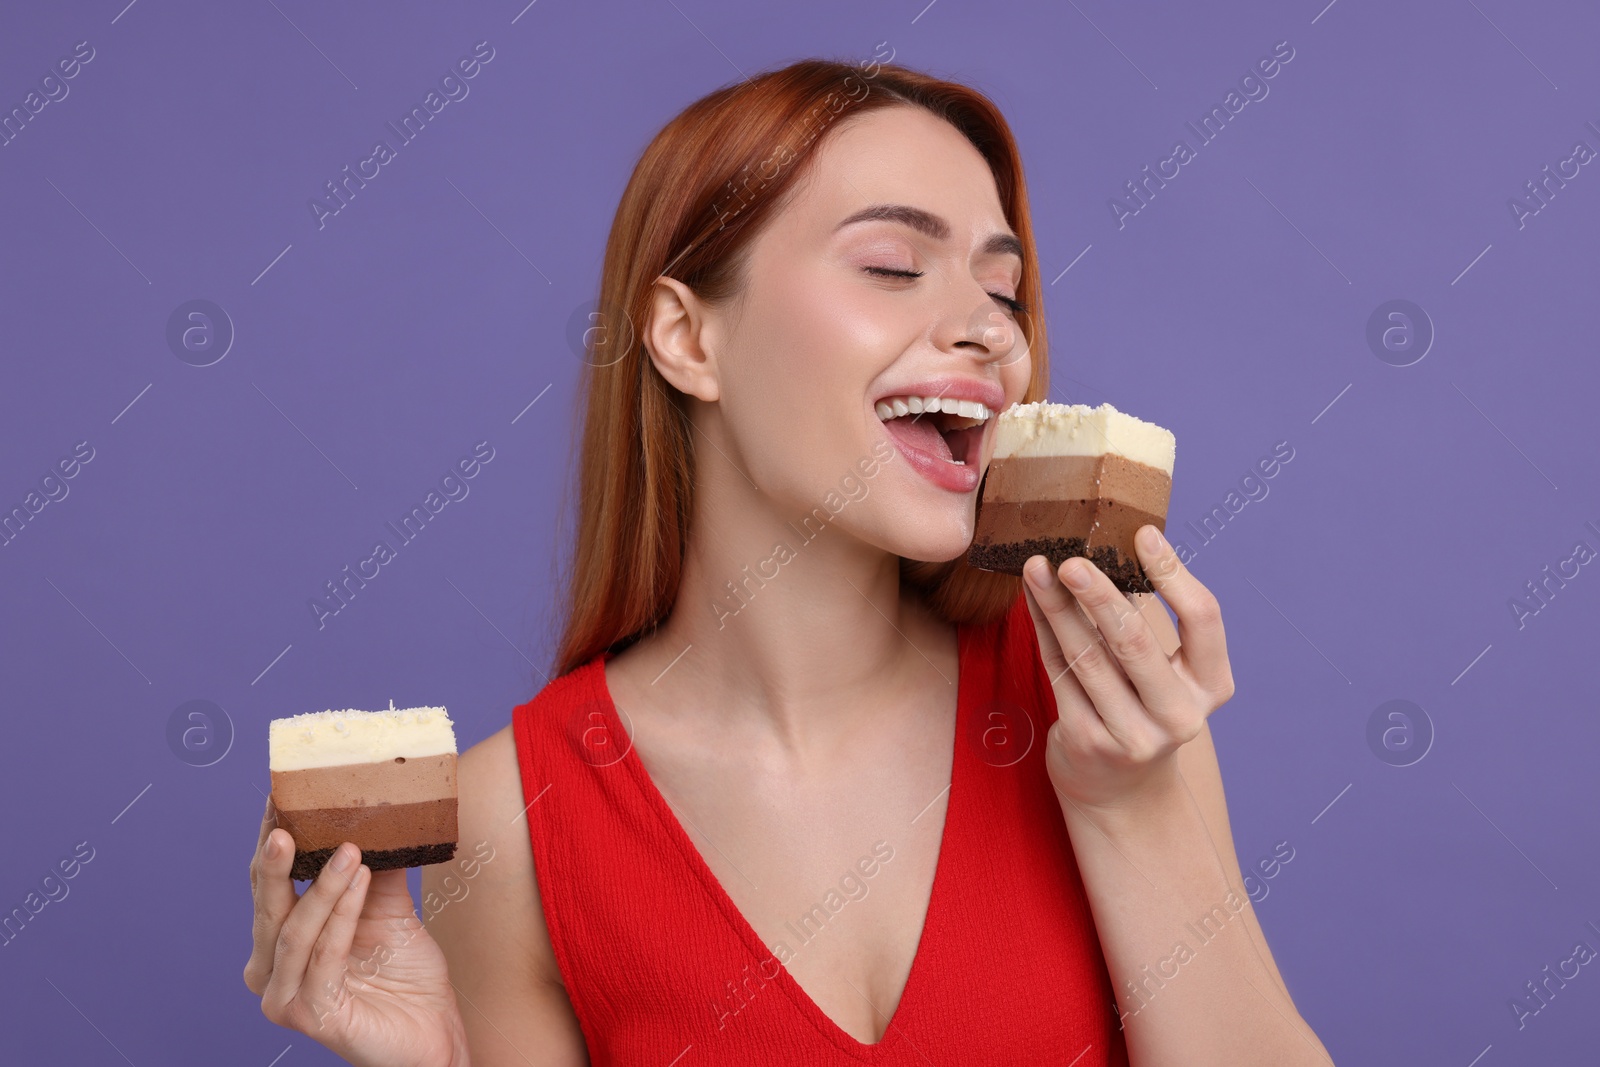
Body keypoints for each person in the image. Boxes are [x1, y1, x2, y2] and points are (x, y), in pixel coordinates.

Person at [244, 57, 1335, 1066]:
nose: (993, 331)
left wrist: (1128, 805)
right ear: (685, 337)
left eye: (1003, 292)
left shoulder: (1105, 705)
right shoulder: (513, 822)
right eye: (892, 265)